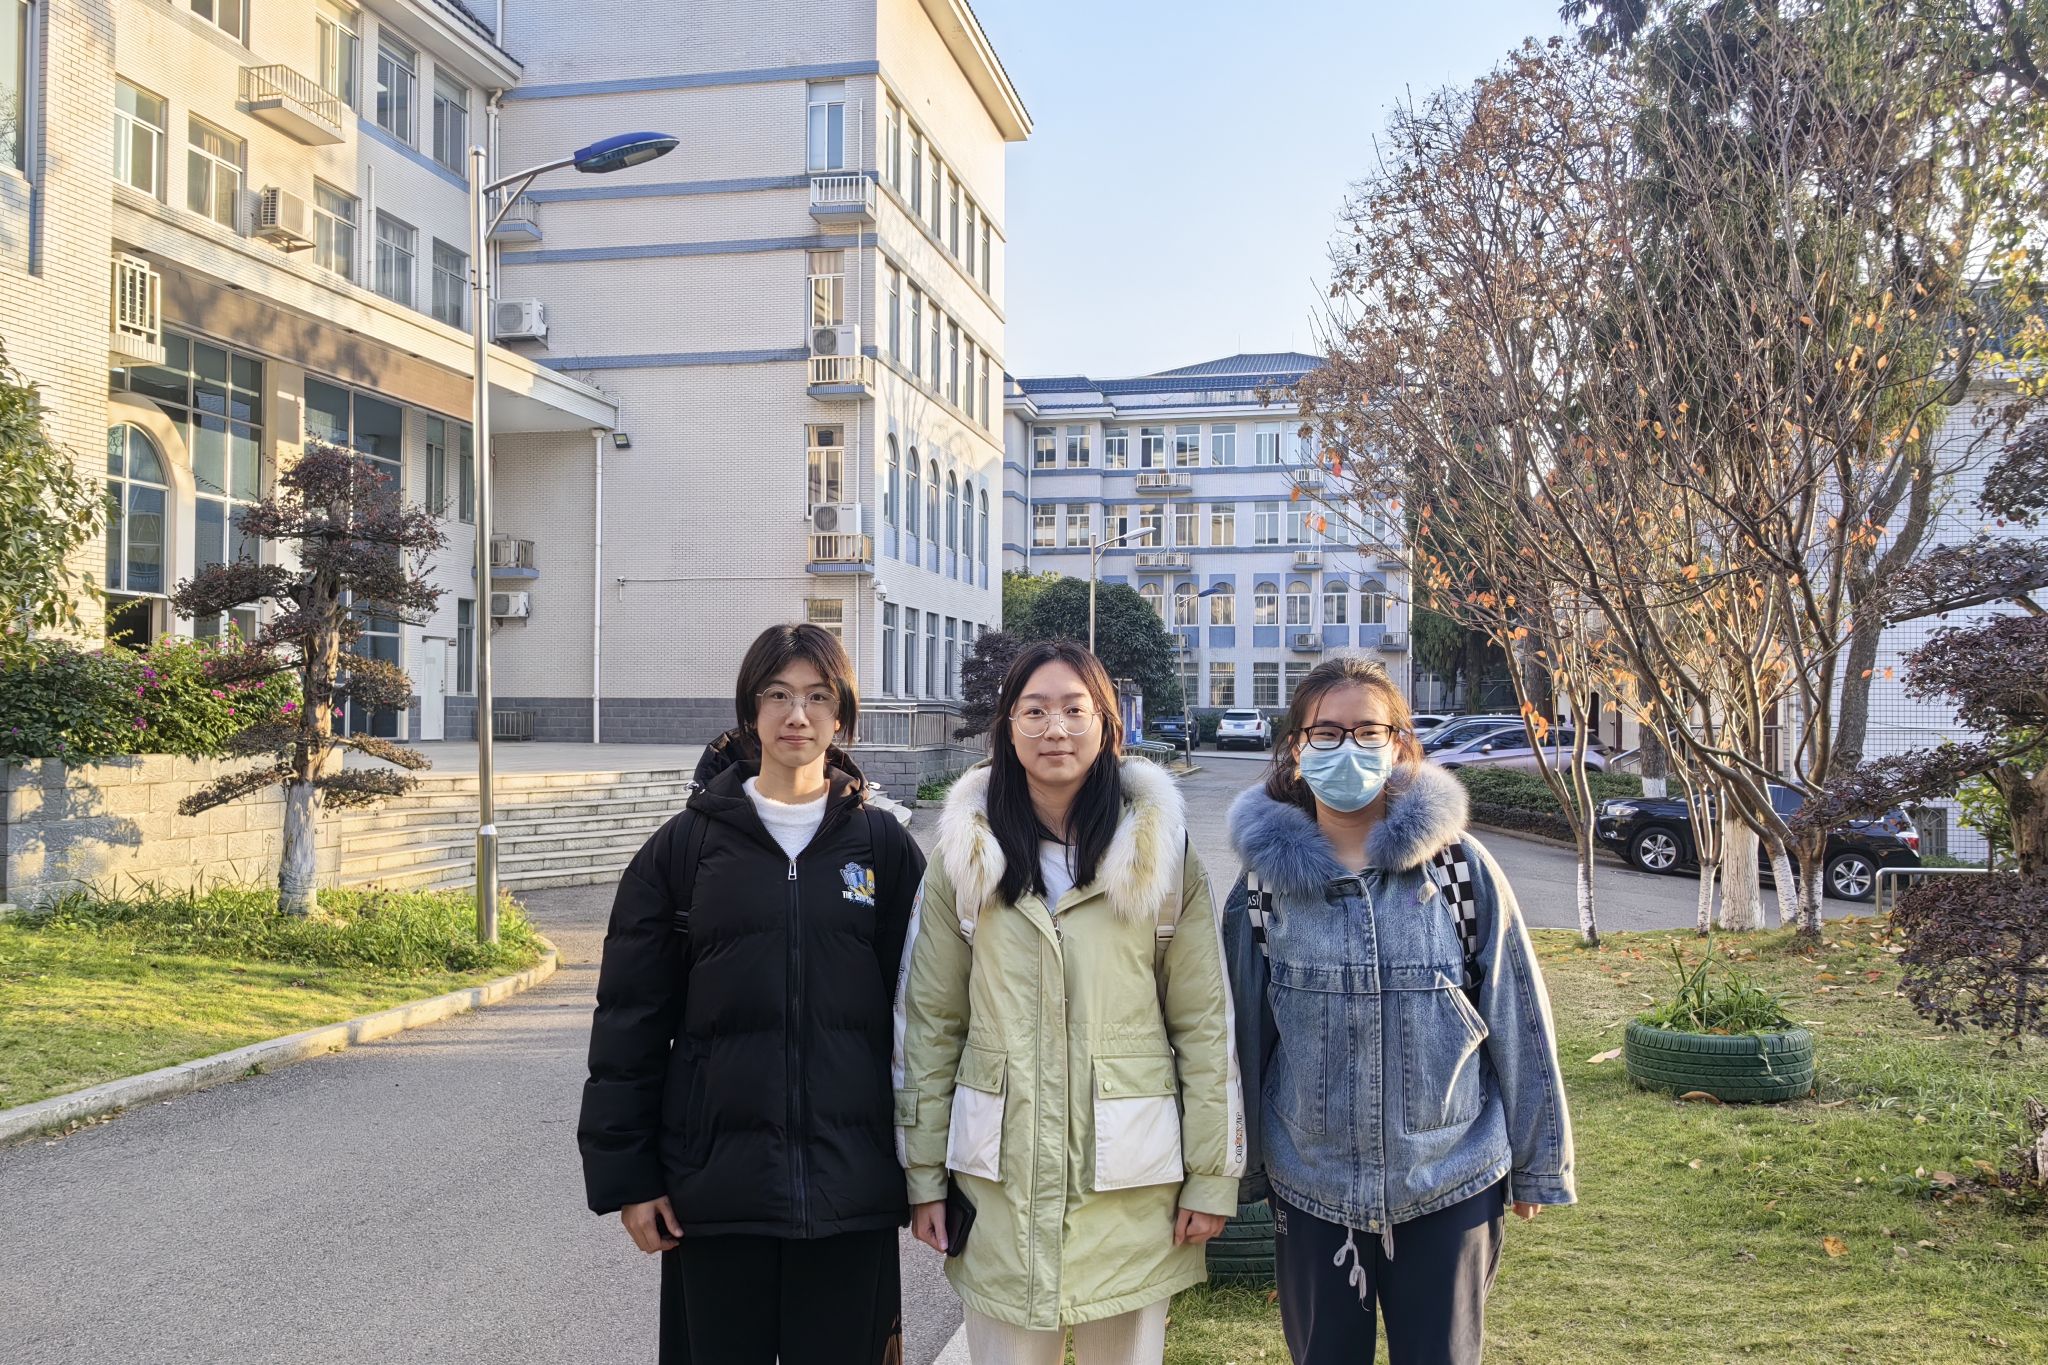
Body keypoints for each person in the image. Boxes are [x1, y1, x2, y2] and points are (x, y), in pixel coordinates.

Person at [579, 623, 926, 1365]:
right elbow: (630, 1024)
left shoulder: (883, 849)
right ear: (750, 711)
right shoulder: (683, 849)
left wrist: (930, 1172)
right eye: (777, 695)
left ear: (842, 716)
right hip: (714, 1194)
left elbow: (927, 1019)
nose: (796, 715)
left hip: (850, 1191)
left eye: (817, 697)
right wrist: (631, 1178)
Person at [894, 640, 1244, 1365]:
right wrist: (923, 1173)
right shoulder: (964, 856)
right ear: (1008, 726)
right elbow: (929, 1022)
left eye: (1074, 709)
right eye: (1035, 711)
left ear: (1106, 723)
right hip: (1001, 1188)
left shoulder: (1160, 853)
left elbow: (1204, 1023)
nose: (1055, 729)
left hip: (1131, 1184)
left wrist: (1212, 1177)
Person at [1222, 657, 1575, 1365]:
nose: (1347, 747)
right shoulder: (1263, 888)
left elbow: (1518, 1013)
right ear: (1295, 747)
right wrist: (1241, 1170)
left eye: (1367, 730)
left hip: (1449, 1181)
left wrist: (1539, 1161)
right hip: (1312, 1186)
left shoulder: (1458, 868)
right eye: (1326, 731)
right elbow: (1241, 1039)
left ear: (1399, 743)